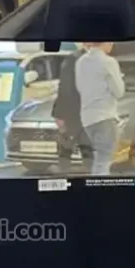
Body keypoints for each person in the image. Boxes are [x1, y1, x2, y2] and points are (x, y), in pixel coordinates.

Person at [75, 41, 125, 176]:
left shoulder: (81, 62)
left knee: (98, 160)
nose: (112, 45)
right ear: (105, 42)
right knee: (104, 161)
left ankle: (95, 185)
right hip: (105, 117)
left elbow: (80, 88)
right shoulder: (108, 62)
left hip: (87, 118)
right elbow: (119, 92)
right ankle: (100, 187)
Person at [50, 45, 93, 173]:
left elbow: (64, 88)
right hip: (78, 112)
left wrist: (58, 113)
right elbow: (65, 89)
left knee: (70, 145)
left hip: (78, 112)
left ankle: (67, 174)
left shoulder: (75, 60)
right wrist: (59, 114)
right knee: (80, 145)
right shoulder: (75, 61)